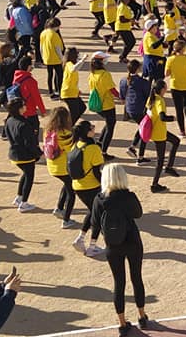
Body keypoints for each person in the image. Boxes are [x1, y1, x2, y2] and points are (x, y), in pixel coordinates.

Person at [91, 164, 158, 335]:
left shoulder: (99, 199)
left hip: (112, 245)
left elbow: (95, 223)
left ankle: (122, 323)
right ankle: (142, 316)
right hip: (132, 241)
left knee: (118, 283)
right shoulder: (128, 196)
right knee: (137, 278)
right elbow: (138, 214)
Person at [70, 121, 108, 258]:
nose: (94, 129)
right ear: (88, 132)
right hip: (91, 186)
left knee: (92, 211)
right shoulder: (93, 148)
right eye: (92, 127)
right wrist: (105, 185)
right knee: (97, 215)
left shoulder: (76, 145)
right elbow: (97, 171)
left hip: (77, 185)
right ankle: (92, 246)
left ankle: (80, 239)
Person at [3, 97, 42, 213]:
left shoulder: (9, 120)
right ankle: (24, 203)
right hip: (25, 156)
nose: (25, 106)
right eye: (23, 105)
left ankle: (19, 197)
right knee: (29, 178)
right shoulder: (24, 124)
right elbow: (29, 144)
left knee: (26, 174)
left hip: (14, 154)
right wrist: (39, 153)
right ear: (20, 109)